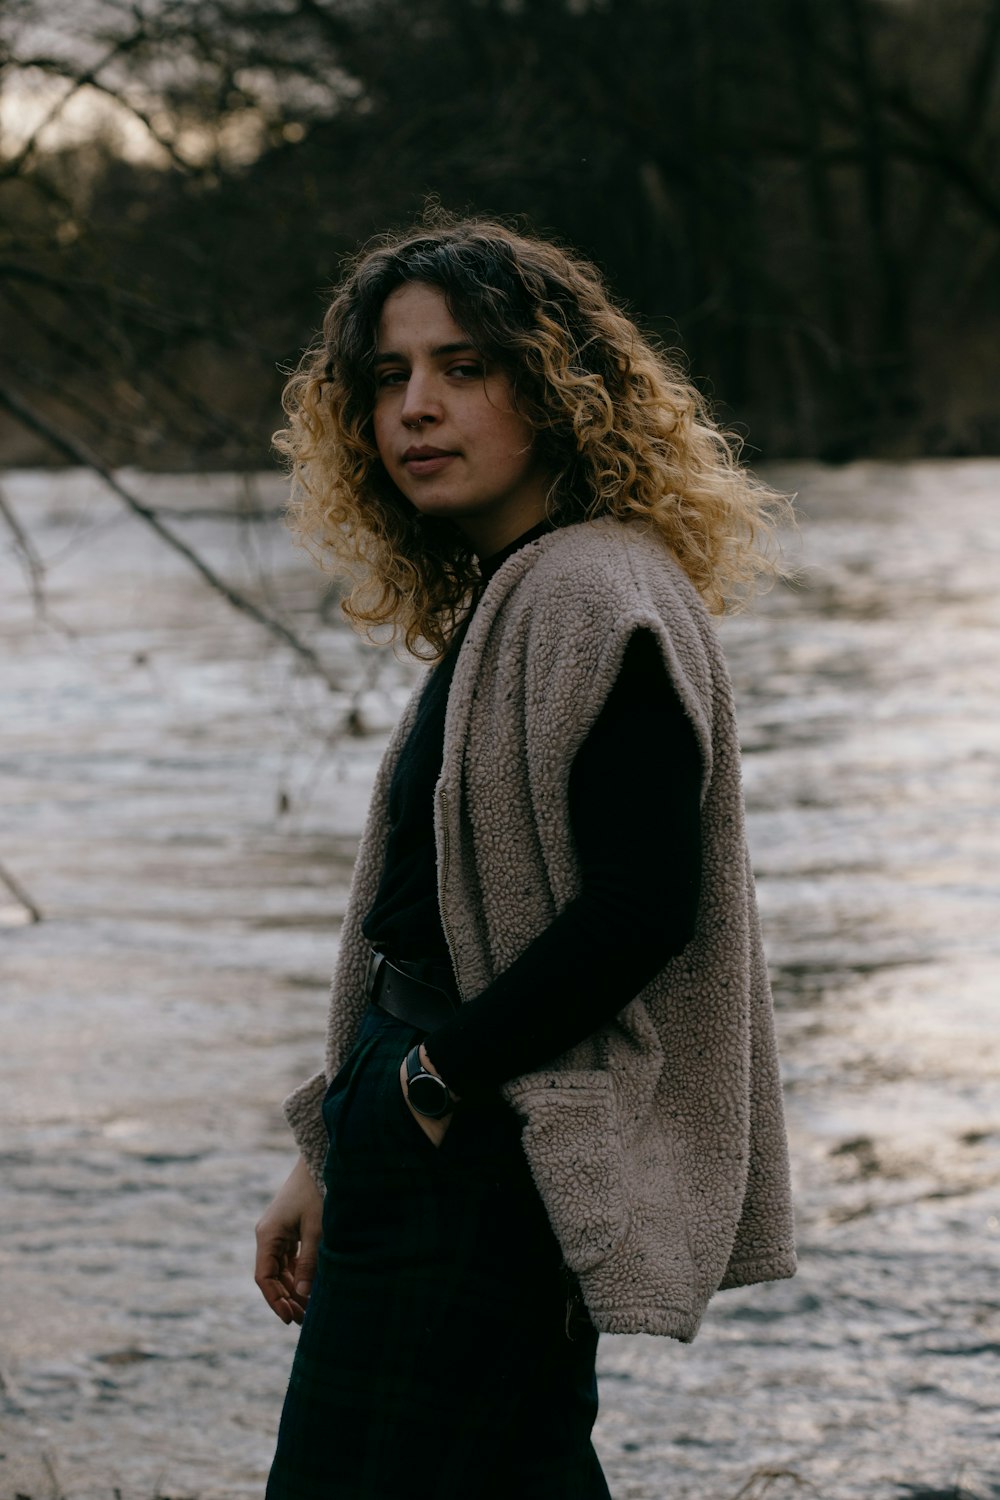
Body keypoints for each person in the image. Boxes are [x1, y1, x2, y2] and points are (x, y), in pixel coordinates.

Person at [254, 216, 796, 1500]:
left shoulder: (595, 593)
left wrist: (432, 1084)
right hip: (426, 1114)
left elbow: (640, 908)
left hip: (476, 1140)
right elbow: (416, 922)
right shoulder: (520, 592)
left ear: (556, 391)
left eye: (465, 367)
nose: (417, 410)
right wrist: (328, 1147)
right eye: (388, 378)